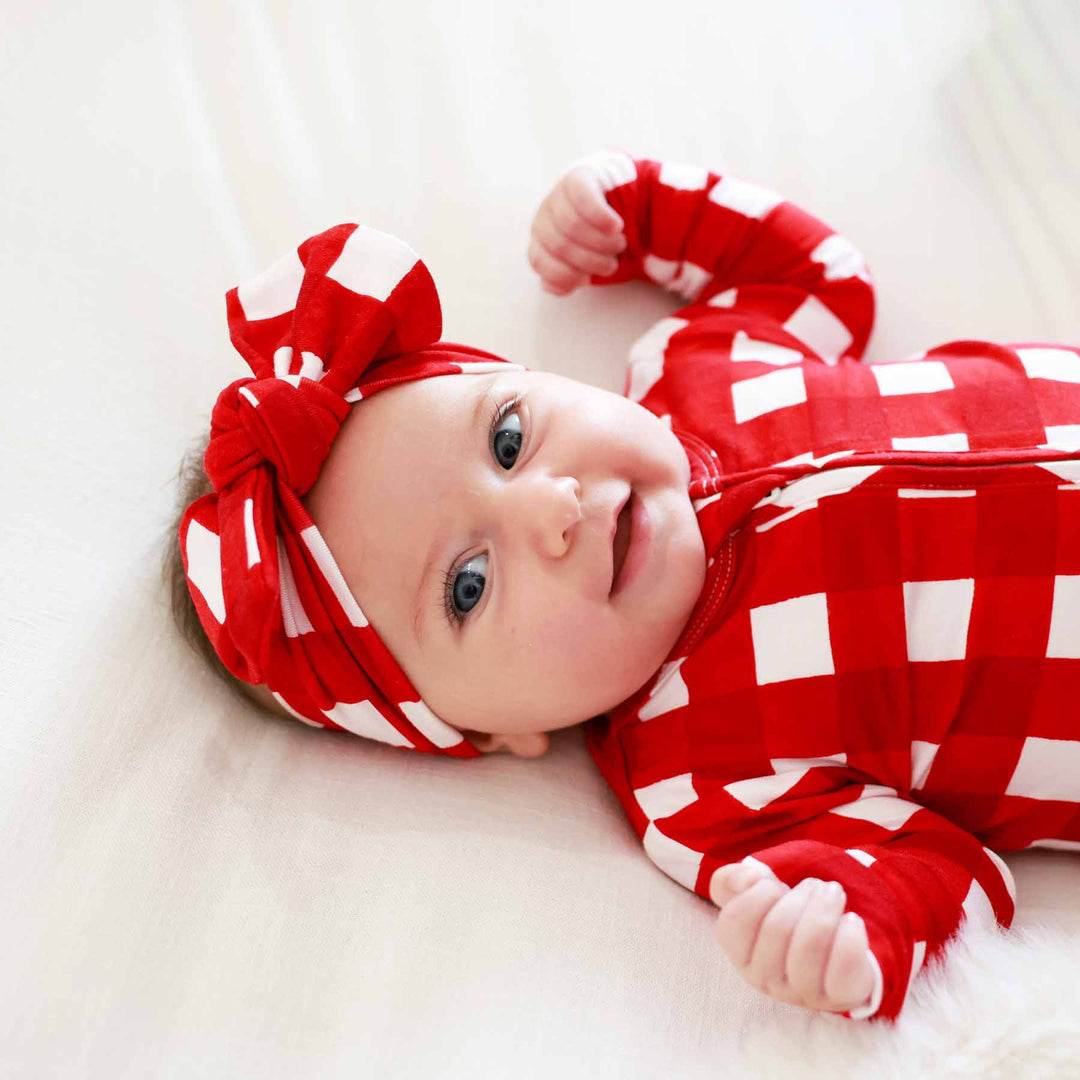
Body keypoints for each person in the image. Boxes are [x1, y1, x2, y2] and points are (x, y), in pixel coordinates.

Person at [167, 149, 1080, 1024]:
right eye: (469, 585)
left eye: (509, 440)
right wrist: (850, 923)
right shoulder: (705, 785)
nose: (551, 509)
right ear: (489, 732)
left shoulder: (696, 366)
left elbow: (821, 281)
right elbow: (953, 875)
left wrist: (640, 209)